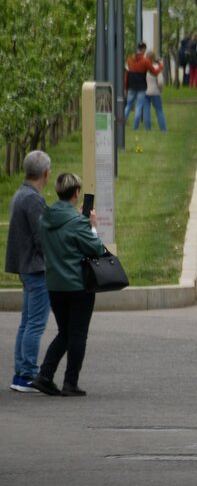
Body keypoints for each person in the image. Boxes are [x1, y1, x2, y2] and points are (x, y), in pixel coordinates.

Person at [28, 173, 105, 397]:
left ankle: (45, 375)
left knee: (64, 332)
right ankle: (70, 382)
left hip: (54, 284)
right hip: (78, 285)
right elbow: (96, 249)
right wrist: (92, 226)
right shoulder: (78, 222)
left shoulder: (45, 218)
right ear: (77, 193)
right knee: (78, 334)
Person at [6, 151, 51, 393]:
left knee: (26, 322)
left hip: (24, 265)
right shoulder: (34, 199)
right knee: (35, 323)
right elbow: (41, 236)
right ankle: (28, 373)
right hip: (36, 267)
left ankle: (20, 372)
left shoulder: (20, 194)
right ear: (46, 173)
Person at [138, 51, 167, 132]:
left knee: (146, 110)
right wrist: (160, 89)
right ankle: (163, 128)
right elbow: (160, 82)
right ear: (154, 58)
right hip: (155, 91)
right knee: (159, 110)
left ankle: (148, 128)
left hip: (145, 91)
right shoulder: (156, 67)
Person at [124, 43, 150, 127]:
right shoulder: (145, 61)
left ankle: (122, 123)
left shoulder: (130, 59)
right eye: (145, 49)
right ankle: (135, 126)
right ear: (143, 49)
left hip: (131, 86)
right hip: (141, 87)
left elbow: (127, 71)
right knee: (138, 106)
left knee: (128, 105)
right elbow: (152, 70)